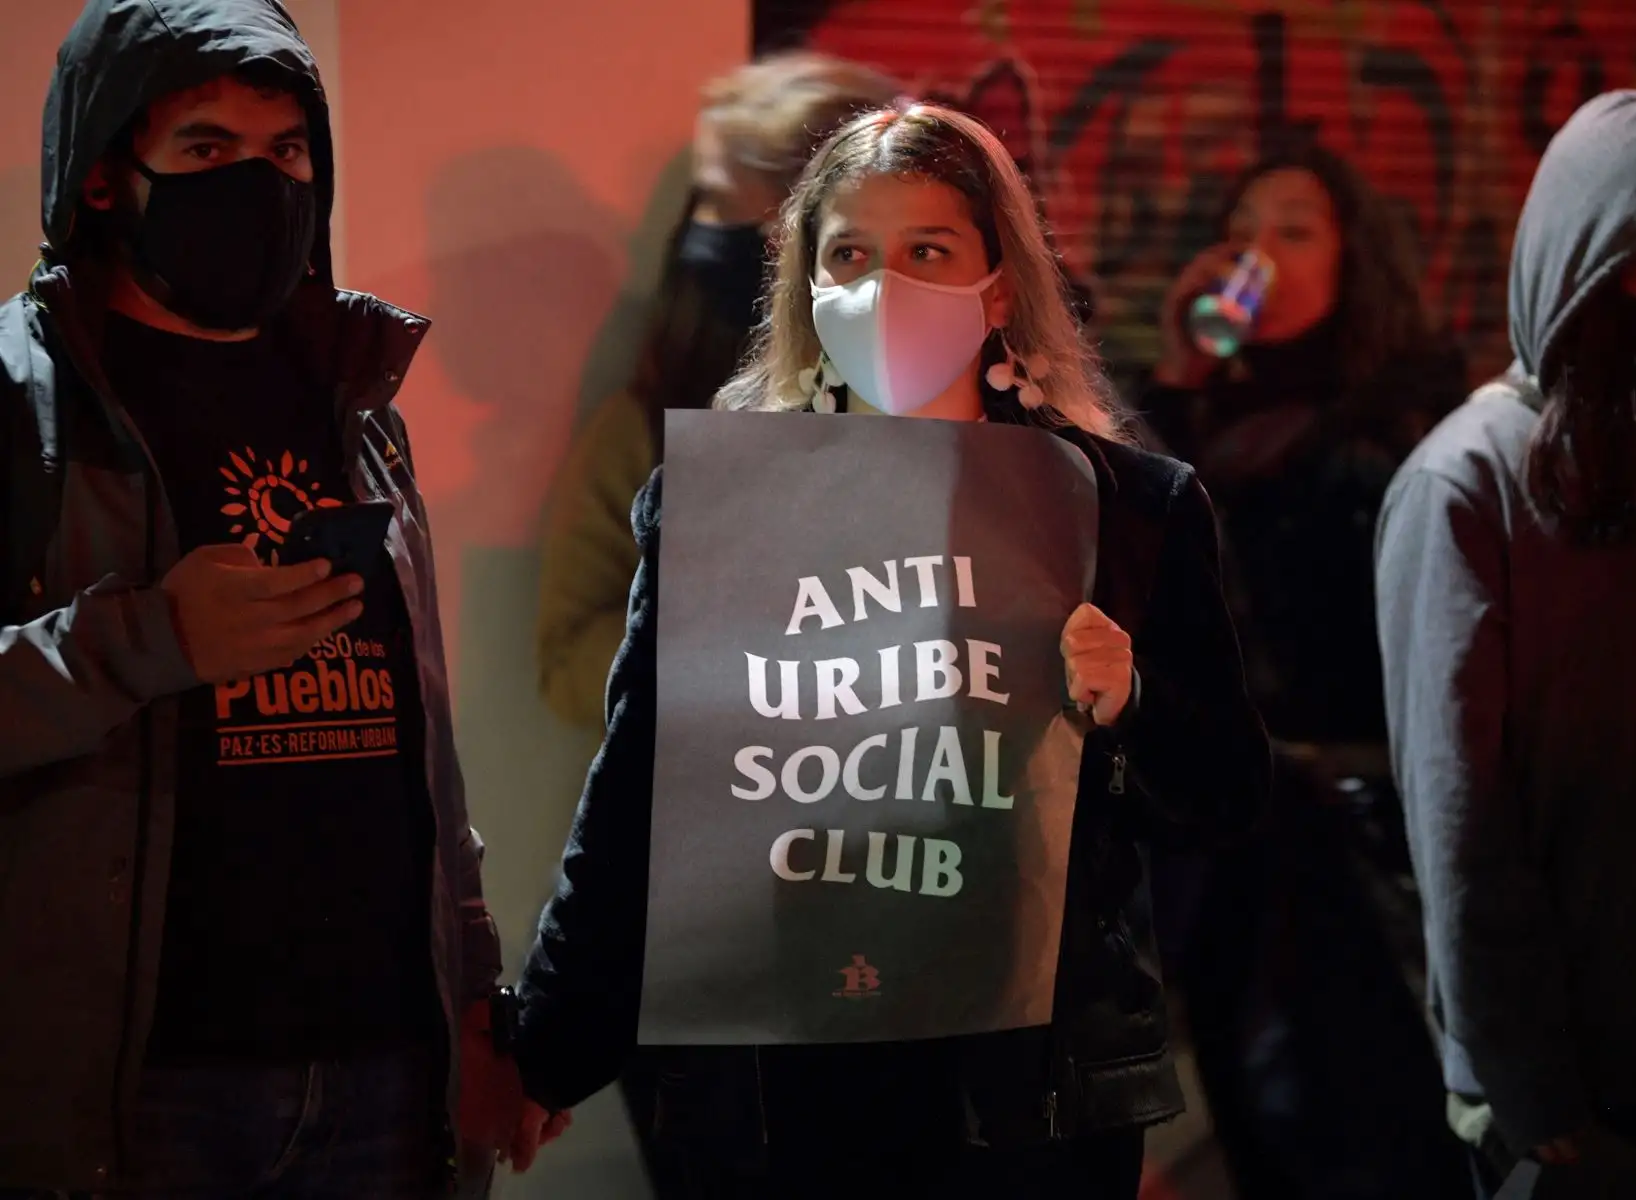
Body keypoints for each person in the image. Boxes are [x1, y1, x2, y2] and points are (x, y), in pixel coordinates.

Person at [504, 103, 1272, 1197]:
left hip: (1020, 1104)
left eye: (928, 252)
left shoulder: (1123, 511)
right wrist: (547, 1049)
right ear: (810, 289)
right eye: (851, 254)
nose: (884, 285)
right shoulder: (724, 511)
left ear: (997, 285)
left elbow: (1231, 797)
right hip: (778, 1084)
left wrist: (1130, 702)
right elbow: (635, 796)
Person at [0, 2, 517, 1195]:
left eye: (287, 153)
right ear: (98, 178)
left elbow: (423, 741)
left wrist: (476, 992)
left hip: (385, 1067)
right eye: (205, 150)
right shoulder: (23, 406)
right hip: (144, 1087)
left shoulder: (353, 399)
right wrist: (148, 640)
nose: (259, 182)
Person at [1377, 89, 1636, 1198]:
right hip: (1594, 1012)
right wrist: (1526, 1081)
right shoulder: (1472, 481)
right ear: (1582, 266)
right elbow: (1460, 812)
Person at [1135, 142, 1467, 1199]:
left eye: (1293, 231)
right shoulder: (1214, 423)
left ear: (1351, 259)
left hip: (1360, 840)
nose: (1257, 256)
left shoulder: (1403, 424)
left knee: (1369, 1131)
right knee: (1258, 1124)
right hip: (1240, 838)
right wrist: (1178, 383)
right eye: (1241, 233)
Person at [536, 52, 900, 736]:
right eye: (702, 201)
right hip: (719, 803)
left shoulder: (960, 403)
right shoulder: (656, 419)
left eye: (729, 203)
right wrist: (712, 615)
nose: (704, 226)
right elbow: (569, 667)